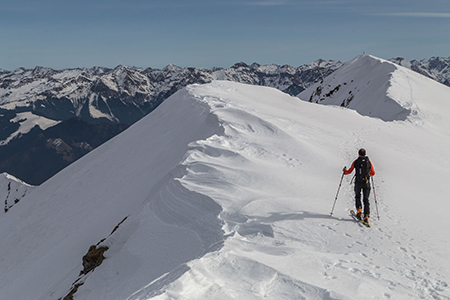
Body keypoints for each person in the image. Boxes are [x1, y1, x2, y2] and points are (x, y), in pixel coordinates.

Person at [343, 148, 375, 223]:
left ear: (358, 154)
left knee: (357, 196)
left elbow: (349, 171)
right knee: (366, 199)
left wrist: (344, 171)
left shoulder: (356, 162)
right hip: (366, 183)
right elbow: (372, 173)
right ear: (365, 154)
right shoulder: (368, 162)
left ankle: (359, 210)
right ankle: (366, 216)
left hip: (358, 182)